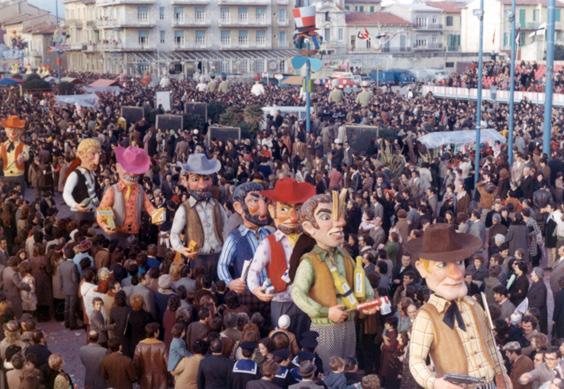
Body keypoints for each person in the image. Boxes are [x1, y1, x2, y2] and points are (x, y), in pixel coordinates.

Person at [407, 223, 511, 389]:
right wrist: (433, 382)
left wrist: (501, 372)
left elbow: (490, 344)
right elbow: (416, 361)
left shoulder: (474, 305)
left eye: (459, 262)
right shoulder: (427, 316)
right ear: (422, 268)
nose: (456, 274)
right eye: (442, 265)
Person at [291, 193, 378, 372]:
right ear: (309, 227)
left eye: (339, 216)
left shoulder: (345, 255)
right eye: (326, 217)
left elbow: (360, 280)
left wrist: (368, 300)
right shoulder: (309, 261)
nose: (340, 223)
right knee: (329, 370)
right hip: (325, 328)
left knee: (348, 368)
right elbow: (297, 293)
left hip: (349, 324)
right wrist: (325, 312)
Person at [248, 178, 316, 335]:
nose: (293, 217)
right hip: (282, 302)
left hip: (309, 301)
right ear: (272, 211)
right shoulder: (268, 243)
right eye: (285, 209)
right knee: (283, 341)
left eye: (298, 210)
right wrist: (256, 289)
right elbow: (253, 271)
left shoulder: (312, 240)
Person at [170, 153, 225, 278]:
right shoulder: (184, 208)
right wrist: (182, 249)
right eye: (195, 179)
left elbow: (226, 229)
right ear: (186, 181)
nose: (202, 184)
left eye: (206, 179)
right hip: (198, 258)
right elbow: (174, 234)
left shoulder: (217, 205)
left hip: (218, 256)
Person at [217, 182, 273, 303]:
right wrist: (230, 282)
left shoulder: (268, 233)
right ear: (238, 207)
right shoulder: (235, 238)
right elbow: (222, 264)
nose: (262, 207)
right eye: (254, 201)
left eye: (264, 200)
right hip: (248, 295)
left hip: (270, 291)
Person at [96, 146, 164, 242]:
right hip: (117, 235)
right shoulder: (112, 190)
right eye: (128, 169)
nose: (132, 174)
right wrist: (105, 225)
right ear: (118, 168)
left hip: (134, 235)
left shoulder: (140, 190)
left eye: (135, 170)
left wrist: (158, 217)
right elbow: (102, 210)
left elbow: (149, 207)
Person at [62, 138, 102, 222]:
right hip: (80, 215)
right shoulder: (75, 174)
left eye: (98, 154)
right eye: (93, 154)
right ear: (82, 154)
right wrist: (75, 205)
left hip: (92, 212)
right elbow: (66, 193)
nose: (96, 160)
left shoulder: (91, 173)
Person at [133, 322, 168, 389]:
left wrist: (137, 376)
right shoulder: (162, 345)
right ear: (155, 332)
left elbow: (136, 363)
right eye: (158, 330)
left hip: (145, 378)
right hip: (160, 378)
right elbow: (167, 363)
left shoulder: (140, 345)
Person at [0, 115, 30, 189]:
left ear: (20, 131)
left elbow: (26, 155)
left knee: (19, 198)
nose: (12, 131)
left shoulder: (24, 146)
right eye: (10, 129)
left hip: (18, 176)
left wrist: (22, 157)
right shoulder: (2, 146)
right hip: (5, 176)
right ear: (6, 130)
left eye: (16, 129)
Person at [58, 247, 80, 329]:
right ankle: (72, 324)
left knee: (66, 306)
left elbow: (60, 277)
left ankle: (66, 323)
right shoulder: (73, 265)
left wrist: (61, 287)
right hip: (73, 288)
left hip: (65, 287)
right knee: (72, 307)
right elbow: (74, 279)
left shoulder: (62, 264)